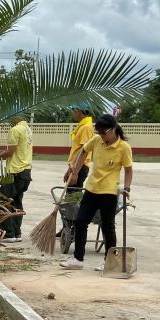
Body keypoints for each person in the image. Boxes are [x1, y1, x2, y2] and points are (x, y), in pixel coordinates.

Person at [60, 113, 132, 272]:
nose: (101, 136)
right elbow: (82, 151)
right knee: (80, 222)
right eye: (98, 132)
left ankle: (109, 260)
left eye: (104, 132)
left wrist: (127, 188)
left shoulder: (123, 148)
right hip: (91, 189)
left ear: (113, 129)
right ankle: (78, 259)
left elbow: (128, 170)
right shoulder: (96, 141)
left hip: (109, 192)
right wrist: (74, 165)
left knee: (108, 227)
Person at [0, 114, 32, 242]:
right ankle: (16, 232)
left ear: (16, 117)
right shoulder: (27, 129)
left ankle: (8, 233)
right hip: (25, 171)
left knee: (2, 202)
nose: (9, 122)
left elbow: (10, 152)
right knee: (16, 203)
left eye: (10, 119)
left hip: (15, 171)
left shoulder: (15, 130)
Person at [64, 105, 94, 190]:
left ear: (79, 110)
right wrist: (70, 169)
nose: (72, 113)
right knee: (70, 196)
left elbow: (84, 150)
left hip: (80, 166)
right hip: (75, 166)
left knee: (73, 198)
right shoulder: (82, 126)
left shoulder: (86, 127)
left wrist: (75, 172)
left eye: (73, 110)